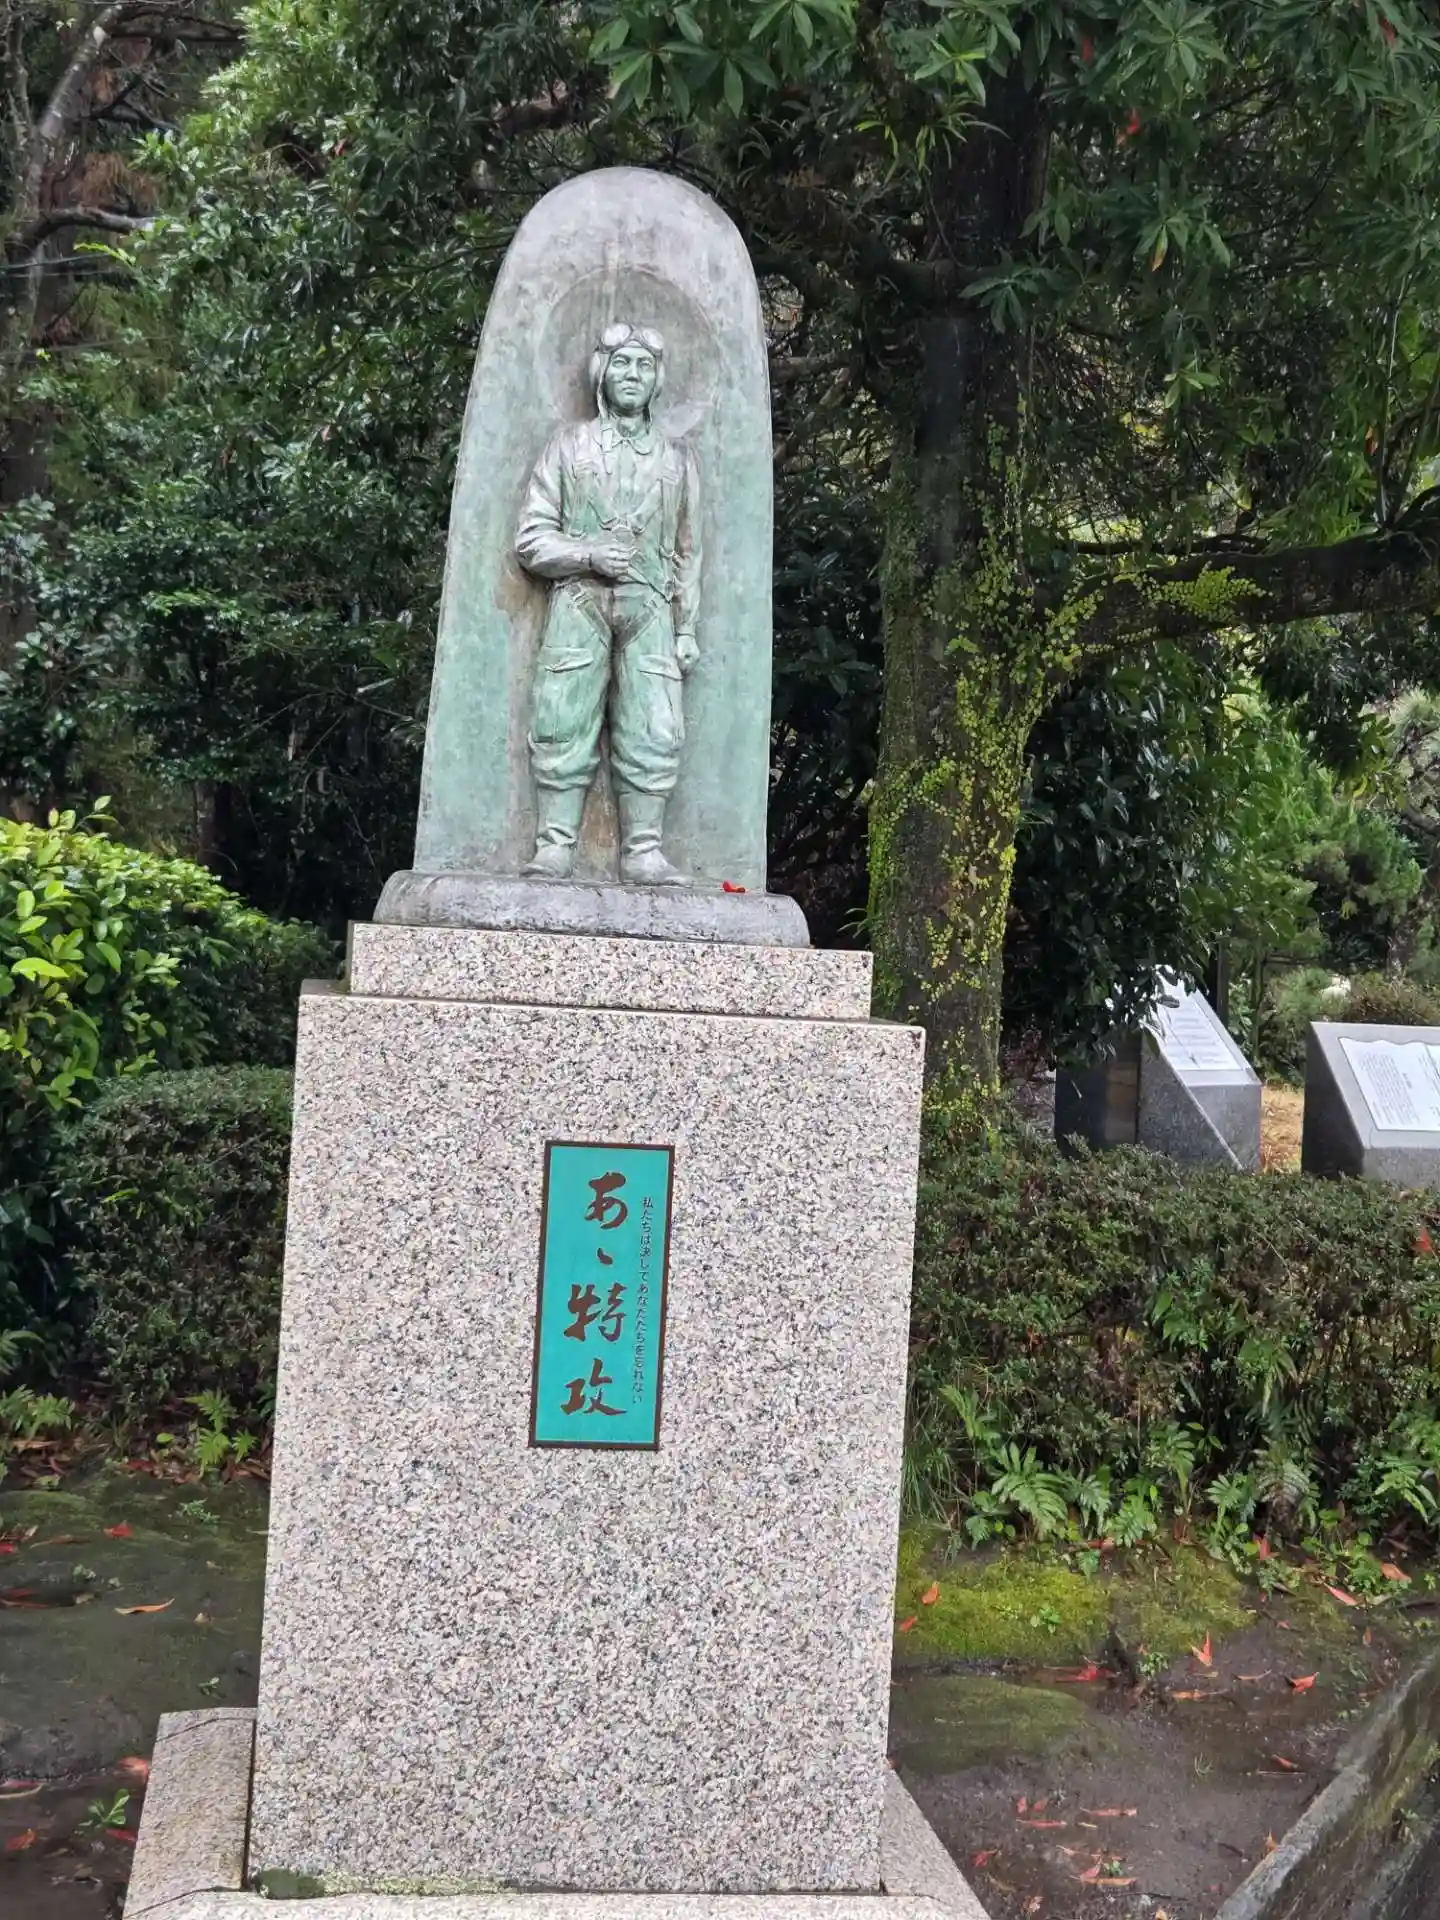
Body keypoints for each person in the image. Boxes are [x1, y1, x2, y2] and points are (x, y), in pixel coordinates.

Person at [515, 320, 700, 886]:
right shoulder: (568, 448)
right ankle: (554, 846)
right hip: (579, 601)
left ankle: (643, 850)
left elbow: (688, 552)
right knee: (560, 719)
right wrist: (587, 553)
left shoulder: (676, 460)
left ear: (657, 380)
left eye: (644, 366)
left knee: (656, 727)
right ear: (602, 373)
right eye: (621, 363)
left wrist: (686, 627)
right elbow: (531, 539)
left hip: (651, 610)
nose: (632, 375)